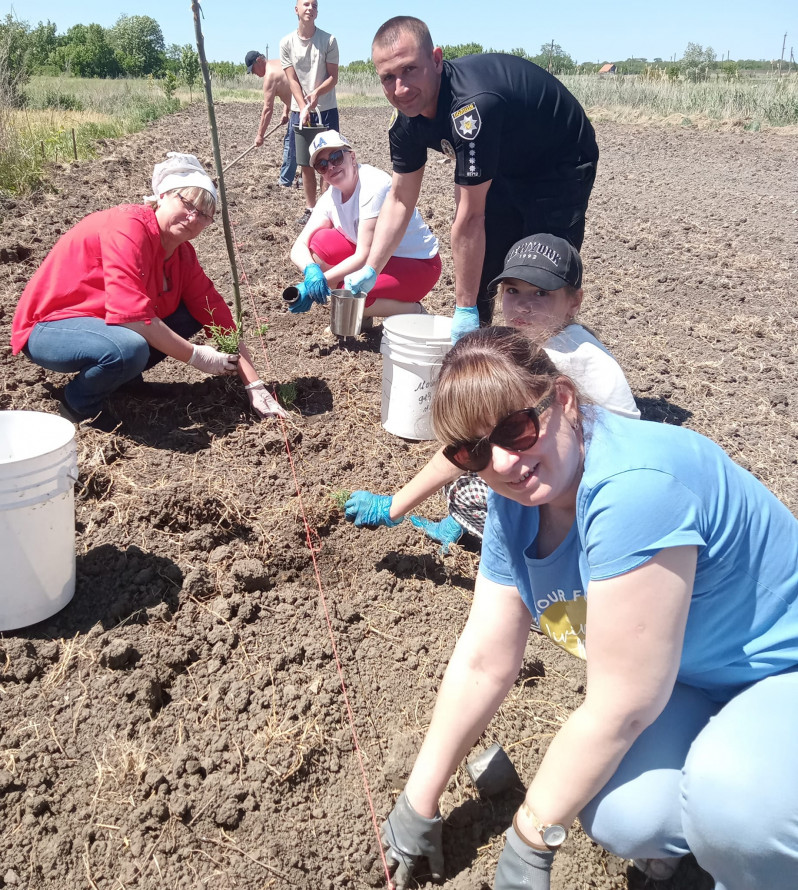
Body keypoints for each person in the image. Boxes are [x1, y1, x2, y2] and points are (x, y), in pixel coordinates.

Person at [378, 325, 798, 890]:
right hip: (695, 679)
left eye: (516, 428)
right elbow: (484, 659)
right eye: (473, 451)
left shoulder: (633, 489)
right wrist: (417, 802)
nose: (502, 461)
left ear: (564, 401)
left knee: (736, 812)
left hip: (781, 671)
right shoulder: (519, 501)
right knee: (625, 816)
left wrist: (530, 841)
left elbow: (623, 705)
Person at [344, 234, 637, 549]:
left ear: (574, 302)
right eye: (512, 290)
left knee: (473, 471)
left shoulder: (561, 358)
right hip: (586, 468)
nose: (523, 304)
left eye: (540, 293)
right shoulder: (563, 339)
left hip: (608, 494)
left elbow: (465, 451)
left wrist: (393, 506)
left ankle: (541, 550)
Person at [344, 16, 598, 344]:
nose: (401, 89)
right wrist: (372, 268)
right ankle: (482, 356)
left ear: (436, 59)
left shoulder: (471, 108)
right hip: (505, 162)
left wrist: (461, 309)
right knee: (487, 264)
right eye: (388, 77)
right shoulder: (405, 120)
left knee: (540, 272)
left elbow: (468, 217)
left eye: (409, 69)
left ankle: (550, 363)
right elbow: (400, 199)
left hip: (558, 161)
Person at [10, 152, 286, 429]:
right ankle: (78, 403)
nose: (193, 217)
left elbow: (217, 316)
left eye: (204, 215)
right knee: (128, 348)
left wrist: (255, 386)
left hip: (101, 323)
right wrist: (195, 355)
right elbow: (132, 317)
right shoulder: (128, 227)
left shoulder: (182, 255)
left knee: (189, 313)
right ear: (163, 196)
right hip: (50, 327)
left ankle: (124, 381)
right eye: (187, 203)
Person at [287, 130, 441, 322]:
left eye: (336, 157)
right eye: (322, 165)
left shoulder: (373, 186)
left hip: (418, 265)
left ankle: (414, 312)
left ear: (352, 156)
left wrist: (317, 286)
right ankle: (363, 316)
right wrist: (311, 270)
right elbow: (298, 247)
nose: (331, 167)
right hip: (378, 261)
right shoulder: (331, 196)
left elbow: (364, 256)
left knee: (347, 294)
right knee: (320, 243)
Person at [280, 0, 339, 225]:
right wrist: (303, 106)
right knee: (305, 162)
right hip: (299, 111)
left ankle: (327, 208)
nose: (310, 8)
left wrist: (316, 94)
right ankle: (310, 208)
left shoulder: (329, 40)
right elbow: (291, 78)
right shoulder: (286, 43)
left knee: (329, 160)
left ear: (317, 11)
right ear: (296, 9)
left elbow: (333, 77)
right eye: (305, 4)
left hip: (327, 109)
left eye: (314, 5)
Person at [245, 51, 297, 188]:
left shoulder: (269, 76)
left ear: (259, 61)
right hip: (303, 107)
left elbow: (268, 108)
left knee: (290, 144)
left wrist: (260, 135)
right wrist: (286, 111)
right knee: (304, 145)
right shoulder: (279, 63)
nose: (255, 73)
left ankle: (285, 181)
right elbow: (291, 87)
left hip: (300, 111)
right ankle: (303, 178)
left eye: (253, 69)